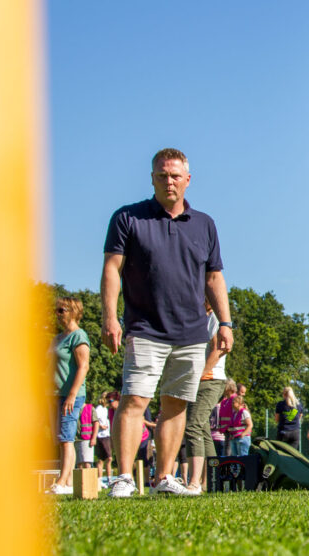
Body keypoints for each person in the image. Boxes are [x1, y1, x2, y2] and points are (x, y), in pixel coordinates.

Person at [100, 148, 233, 497]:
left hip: (191, 333)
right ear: (152, 179)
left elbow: (214, 277)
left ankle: (163, 479)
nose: (169, 181)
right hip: (145, 328)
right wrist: (110, 317)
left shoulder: (205, 224)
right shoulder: (128, 218)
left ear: (188, 180)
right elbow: (112, 268)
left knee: (175, 405)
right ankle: (124, 478)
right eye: (162, 175)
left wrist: (225, 322)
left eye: (175, 175)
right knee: (135, 400)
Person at [183, 299, 230, 494]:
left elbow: (218, 349)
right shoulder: (200, 319)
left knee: (193, 424)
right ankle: (210, 481)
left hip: (210, 379)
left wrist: (200, 374)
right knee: (202, 428)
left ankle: (195, 482)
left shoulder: (216, 321)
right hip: (202, 379)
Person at [48, 296, 91, 495]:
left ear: (73, 311)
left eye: (61, 310)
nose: (57, 314)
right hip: (54, 393)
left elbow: (83, 366)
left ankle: (63, 481)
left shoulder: (78, 336)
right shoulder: (58, 338)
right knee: (59, 437)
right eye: (56, 310)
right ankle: (65, 480)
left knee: (66, 437)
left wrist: (72, 395)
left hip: (70, 395)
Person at [276, 386, 305, 450]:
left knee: (280, 454)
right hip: (295, 433)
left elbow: (277, 419)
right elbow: (300, 416)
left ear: (284, 394)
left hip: (283, 432)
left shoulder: (280, 404)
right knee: (292, 455)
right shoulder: (298, 405)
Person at [94, 392, 115, 479]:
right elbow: (96, 419)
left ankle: (109, 478)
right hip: (101, 435)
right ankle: (100, 479)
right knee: (103, 459)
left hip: (106, 435)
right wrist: (101, 426)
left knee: (108, 458)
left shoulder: (106, 409)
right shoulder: (99, 408)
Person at [216, 379, 237, 454]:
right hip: (226, 430)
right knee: (226, 451)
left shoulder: (235, 399)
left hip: (232, 431)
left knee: (229, 451)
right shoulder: (225, 401)